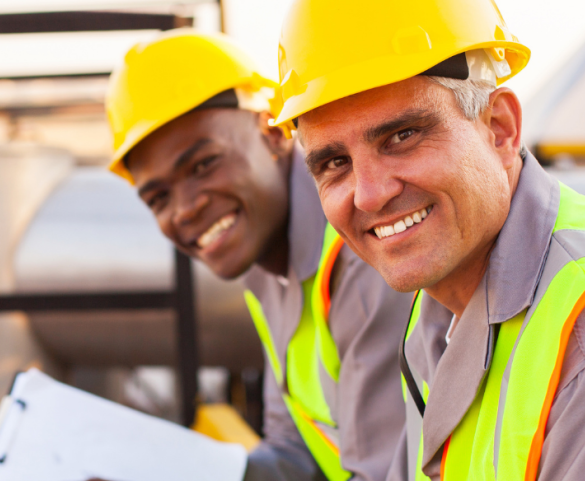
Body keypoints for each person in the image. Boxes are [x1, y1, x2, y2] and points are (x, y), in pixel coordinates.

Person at [269, 0, 585, 479]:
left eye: (402, 136)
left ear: (499, 129)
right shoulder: (443, 307)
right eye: (335, 163)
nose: (370, 194)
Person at [104, 29, 415, 481]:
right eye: (158, 199)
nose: (185, 208)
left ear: (272, 130)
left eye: (203, 164)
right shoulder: (267, 270)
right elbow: (294, 450)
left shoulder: (361, 255)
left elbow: (386, 471)